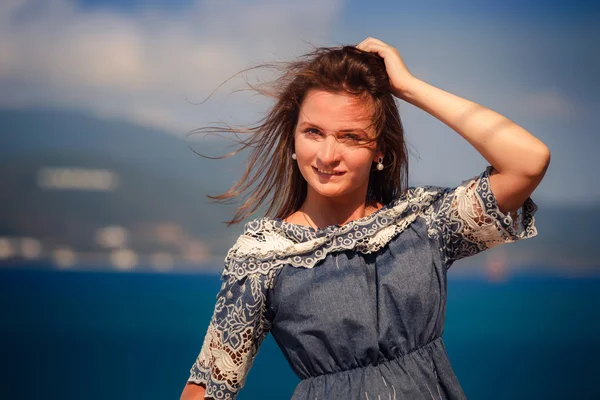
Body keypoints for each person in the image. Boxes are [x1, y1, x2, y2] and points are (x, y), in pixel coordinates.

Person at [180, 37, 549, 400]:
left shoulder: (423, 224)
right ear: (293, 140)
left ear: (380, 150)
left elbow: (528, 161)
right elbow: (207, 390)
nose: (327, 154)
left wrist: (409, 87)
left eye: (350, 137)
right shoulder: (263, 258)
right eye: (313, 132)